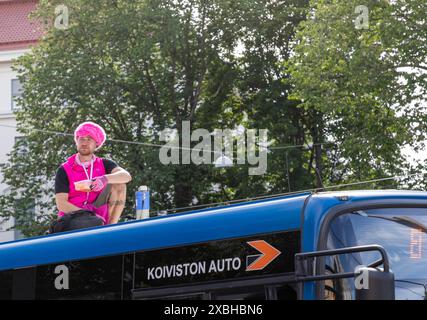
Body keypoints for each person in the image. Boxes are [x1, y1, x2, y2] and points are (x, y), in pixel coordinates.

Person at [53, 121, 132, 232]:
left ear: (96, 144)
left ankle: (111, 229)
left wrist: (104, 179)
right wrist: (87, 215)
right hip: (73, 217)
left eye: (89, 139)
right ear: (76, 142)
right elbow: (61, 204)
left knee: (119, 184)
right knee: (88, 222)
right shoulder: (64, 169)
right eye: (81, 139)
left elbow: (126, 176)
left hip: (99, 216)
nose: (84, 143)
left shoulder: (104, 164)